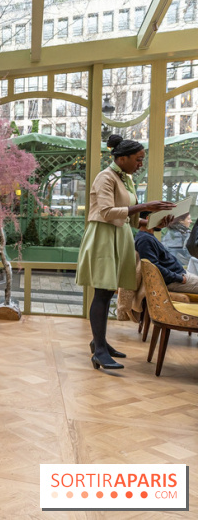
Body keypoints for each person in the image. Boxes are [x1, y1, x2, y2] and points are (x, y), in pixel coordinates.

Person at [76, 134, 176, 370]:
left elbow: (129, 219)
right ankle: (99, 351)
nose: (141, 164)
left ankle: (99, 342)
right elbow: (107, 212)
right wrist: (145, 206)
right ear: (122, 158)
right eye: (138, 159)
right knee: (102, 292)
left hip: (119, 236)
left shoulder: (125, 179)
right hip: (103, 238)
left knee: (108, 292)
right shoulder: (105, 177)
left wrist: (154, 223)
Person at [136, 213, 198, 293]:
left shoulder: (148, 237)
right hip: (174, 280)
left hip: (179, 274)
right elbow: (153, 267)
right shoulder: (145, 240)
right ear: (148, 219)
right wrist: (180, 279)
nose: (164, 221)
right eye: (161, 219)